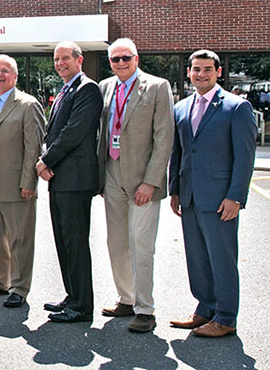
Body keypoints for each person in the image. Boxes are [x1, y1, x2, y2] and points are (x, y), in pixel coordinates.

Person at [169, 49, 256, 338]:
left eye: (207, 69)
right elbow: (179, 152)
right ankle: (205, 309)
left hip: (221, 198)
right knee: (197, 257)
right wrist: (175, 190)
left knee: (222, 258)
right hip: (190, 196)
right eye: (196, 69)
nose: (201, 74)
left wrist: (236, 197)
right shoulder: (181, 107)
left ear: (218, 72)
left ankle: (226, 317)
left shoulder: (236, 107)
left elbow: (244, 157)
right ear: (189, 72)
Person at [97, 38, 175, 333]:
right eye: (115, 59)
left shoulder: (157, 87)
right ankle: (126, 299)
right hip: (111, 174)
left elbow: (164, 138)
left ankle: (145, 308)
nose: (120, 63)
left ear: (136, 58)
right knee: (116, 243)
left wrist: (151, 182)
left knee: (142, 246)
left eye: (125, 58)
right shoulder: (106, 87)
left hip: (143, 180)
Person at [37, 41, 103, 322]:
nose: (60, 63)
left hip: (75, 179)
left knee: (75, 242)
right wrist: (47, 157)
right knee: (63, 241)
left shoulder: (87, 89)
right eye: (56, 59)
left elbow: (73, 132)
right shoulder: (66, 89)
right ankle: (72, 295)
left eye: (65, 58)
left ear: (79, 60)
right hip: (60, 178)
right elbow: (53, 134)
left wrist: (46, 161)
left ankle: (82, 306)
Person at [0, 54, 46, 308]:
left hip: (17, 182)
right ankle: (0, 280)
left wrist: (30, 181)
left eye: (5, 71)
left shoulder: (28, 105)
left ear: (15, 76)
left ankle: (19, 286)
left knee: (20, 237)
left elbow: (33, 147)